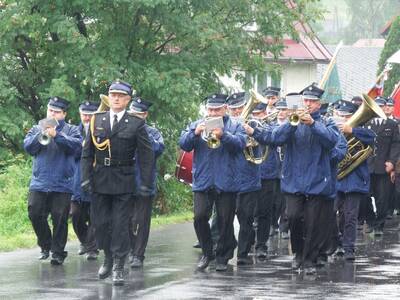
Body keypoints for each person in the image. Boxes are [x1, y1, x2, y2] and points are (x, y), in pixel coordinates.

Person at [81, 80, 154, 285]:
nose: (116, 98)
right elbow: (87, 154)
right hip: (100, 178)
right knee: (100, 224)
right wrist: (85, 177)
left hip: (124, 179)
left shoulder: (136, 123)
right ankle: (108, 257)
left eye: (120, 96)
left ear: (127, 99)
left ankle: (119, 265)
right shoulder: (97, 120)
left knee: (121, 225)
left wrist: (146, 182)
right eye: (113, 94)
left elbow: (146, 156)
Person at [270, 84, 339, 275]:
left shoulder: (327, 122)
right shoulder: (292, 121)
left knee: (313, 223)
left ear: (319, 103)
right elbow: (276, 138)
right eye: (305, 100)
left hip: (317, 180)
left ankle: (309, 260)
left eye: (312, 101)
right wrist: (292, 125)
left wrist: (312, 124)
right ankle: (299, 253)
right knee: (293, 217)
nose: (308, 104)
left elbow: (332, 141)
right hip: (293, 180)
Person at [179, 93, 246, 272]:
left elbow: (240, 144)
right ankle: (207, 252)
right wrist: (195, 133)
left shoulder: (235, 125)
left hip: (226, 180)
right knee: (199, 217)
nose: (213, 112)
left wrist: (224, 135)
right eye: (210, 109)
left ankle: (223, 256)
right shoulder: (196, 124)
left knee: (225, 220)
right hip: (203, 179)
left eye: (216, 109)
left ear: (225, 108)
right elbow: (184, 144)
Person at [24, 96, 81, 265]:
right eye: (50, 110)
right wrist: (41, 134)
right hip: (40, 181)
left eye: (56, 112)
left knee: (60, 218)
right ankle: (45, 245)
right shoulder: (36, 128)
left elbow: (76, 147)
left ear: (64, 113)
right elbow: (28, 147)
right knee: (34, 213)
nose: (52, 114)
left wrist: (58, 135)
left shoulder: (72, 130)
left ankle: (58, 252)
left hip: (62, 182)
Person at [334, 100, 375, 261]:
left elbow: (372, 137)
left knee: (351, 216)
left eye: (347, 116)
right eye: (342, 116)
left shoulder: (363, 130)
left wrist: (352, 130)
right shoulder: (334, 130)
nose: (344, 119)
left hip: (355, 180)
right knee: (333, 213)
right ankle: (336, 242)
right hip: (337, 180)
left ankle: (348, 248)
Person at [128, 97, 165, 268]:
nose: (134, 117)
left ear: (145, 115)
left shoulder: (153, 133)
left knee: (142, 220)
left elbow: (157, 150)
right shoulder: (123, 129)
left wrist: (140, 133)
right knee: (126, 219)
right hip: (125, 181)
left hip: (144, 181)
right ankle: (130, 249)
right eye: (132, 114)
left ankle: (138, 254)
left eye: (138, 115)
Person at [366, 96, 400, 235]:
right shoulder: (365, 122)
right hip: (366, 166)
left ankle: (379, 225)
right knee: (364, 197)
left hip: (383, 166)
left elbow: (396, 144)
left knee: (382, 198)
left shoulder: (391, 124)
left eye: (382, 106)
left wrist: (392, 161)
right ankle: (370, 221)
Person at [71, 101, 99, 260]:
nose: (87, 117)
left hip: (97, 180)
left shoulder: (102, 129)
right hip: (77, 182)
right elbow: (70, 153)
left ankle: (92, 249)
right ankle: (85, 241)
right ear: (80, 114)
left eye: (90, 114)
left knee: (96, 217)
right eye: (84, 114)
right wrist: (83, 147)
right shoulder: (74, 132)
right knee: (76, 216)